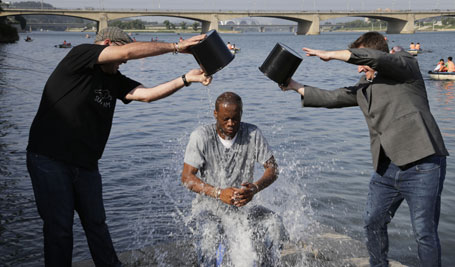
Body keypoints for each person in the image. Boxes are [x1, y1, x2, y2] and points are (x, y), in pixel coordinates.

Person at [26, 26, 212, 267]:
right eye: (121, 53)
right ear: (106, 45)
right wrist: (176, 47)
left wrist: (186, 79)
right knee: (59, 228)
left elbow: (148, 94)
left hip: (85, 165)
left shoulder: (114, 80)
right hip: (50, 158)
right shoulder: (80, 56)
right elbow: (126, 54)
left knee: (96, 225)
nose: (123, 64)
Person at [280, 31, 448, 267]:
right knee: (373, 222)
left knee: (424, 232)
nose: (359, 69)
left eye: (361, 63)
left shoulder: (405, 67)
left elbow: (377, 60)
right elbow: (333, 97)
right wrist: (293, 86)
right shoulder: (365, 86)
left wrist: (331, 55)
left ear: (370, 56)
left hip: (422, 163)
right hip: (387, 168)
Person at [181, 92, 288, 266]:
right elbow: (187, 178)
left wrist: (254, 188)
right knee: (210, 231)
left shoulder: (252, 133)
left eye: (235, 118)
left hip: (244, 208)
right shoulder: (201, 136)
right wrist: (218, 193)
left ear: (241, 114)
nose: (231, 123)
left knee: (275, 224)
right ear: (215, 114)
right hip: (209, 208)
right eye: (225, 119)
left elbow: (272, 169)